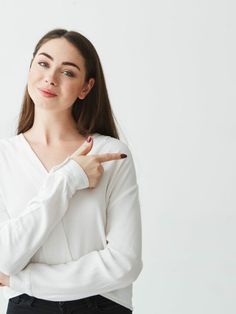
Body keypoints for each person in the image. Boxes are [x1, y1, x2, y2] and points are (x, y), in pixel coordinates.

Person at [0, 28, 143, 314]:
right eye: (43, 63)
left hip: (102, 306)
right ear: (30, 68)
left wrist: (24, 279)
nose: (50, 77)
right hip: (28, 307)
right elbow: (5, 257)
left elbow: (125, 263)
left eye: (68, 72)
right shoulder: (5, 157)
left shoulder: (110, 154)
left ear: (86, 88)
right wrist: (68, 178)